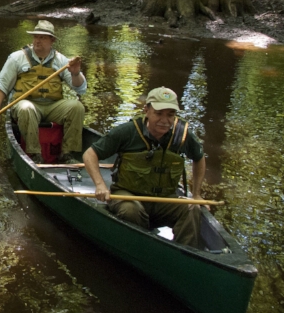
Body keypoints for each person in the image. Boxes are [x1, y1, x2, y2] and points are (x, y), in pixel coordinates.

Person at [82, 86, 206, 247]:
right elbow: (90, 154)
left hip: (164, 199)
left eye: (170, 115)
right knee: (131, 210)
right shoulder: (128, 132)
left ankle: (186, 255)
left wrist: (196, 195)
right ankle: (139, 247)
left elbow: (199, 158)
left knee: (192, 209)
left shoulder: (181, 135)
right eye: (159, 113)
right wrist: (100, 185)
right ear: (146, 110)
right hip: (128, 196)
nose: (165, 120)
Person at [0, 20, 87, 160]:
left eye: (42, 37)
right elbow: (2, 85)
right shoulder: (17, 58)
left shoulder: (61, 61)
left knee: (76, 107)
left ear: (52, 40)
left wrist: (75, 73)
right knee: (27, 108)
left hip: (52, 106)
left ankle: (67, 153)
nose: (37, 40)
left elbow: (80, 89)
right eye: (36, 36)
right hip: (26, 105)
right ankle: (34, 155)